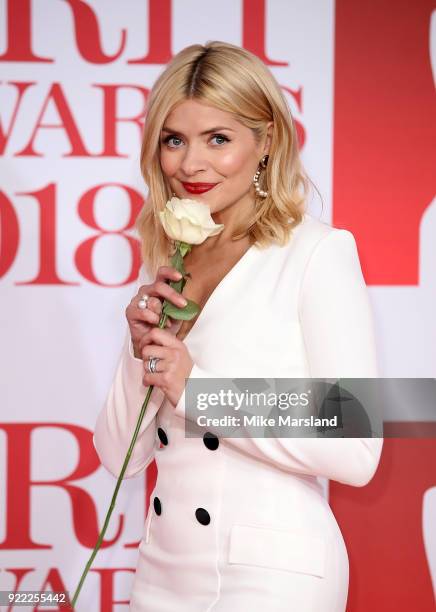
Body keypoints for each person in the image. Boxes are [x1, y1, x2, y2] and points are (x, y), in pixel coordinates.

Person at [93, 40, 383, 611]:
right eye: (175, 139)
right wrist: (138, 357)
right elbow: (115, 456)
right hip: (161, 572)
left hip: (273, 574)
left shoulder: (316, 253)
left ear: (266, 141)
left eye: (218, 139)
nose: (190, 164)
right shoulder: (171, 261)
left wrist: (197, 389)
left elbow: (357, 445)